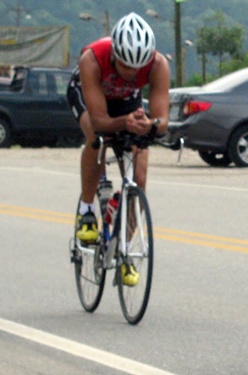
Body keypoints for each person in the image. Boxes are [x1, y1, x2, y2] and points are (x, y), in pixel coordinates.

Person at [67, 12, 170, 284]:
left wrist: (150, 125)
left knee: (141, 176)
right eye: (125, 65)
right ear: (114, 53)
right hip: (91, 97)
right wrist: (124, 122)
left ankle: (124, 250)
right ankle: (87, 210)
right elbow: (101, 120)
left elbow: (162, 121)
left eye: (138, 67)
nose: (131, 72)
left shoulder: (158, 64)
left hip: (126, 101)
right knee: (97, 136)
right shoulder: (92, 58)